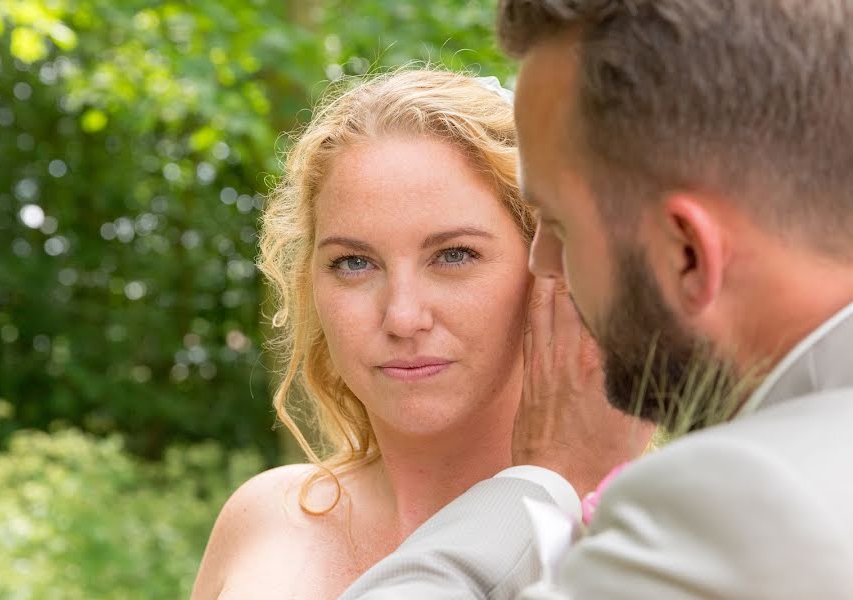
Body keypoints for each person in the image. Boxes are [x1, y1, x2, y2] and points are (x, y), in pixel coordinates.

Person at [339, 1, 853, 598]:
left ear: (687, 251)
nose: (544, 266)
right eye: (352, 262)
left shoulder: (741, 498)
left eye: (558, 226)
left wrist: (542, 478)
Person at [189, 69, 651, 600]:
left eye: (454, 255)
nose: (403, 318)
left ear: (554, 275)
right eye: (354, 263)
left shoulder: (658, 544)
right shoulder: (265, 519)